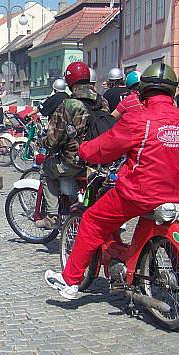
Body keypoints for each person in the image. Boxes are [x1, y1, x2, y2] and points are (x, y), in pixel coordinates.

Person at [45, 63, 179, 300]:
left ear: (143, 89)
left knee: (92, 220)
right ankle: (138, 270)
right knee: (145, 229)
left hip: (140, 193)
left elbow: (106, 146)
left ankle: (70, 280)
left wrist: (84, 151)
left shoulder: (138, 119)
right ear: (173, 90)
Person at [36, 62, 109, 230]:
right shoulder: (102, 101)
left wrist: (43, 142)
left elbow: (54, 138)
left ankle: (52, 216)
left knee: (46, 170)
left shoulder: (68, 105)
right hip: (101, 160)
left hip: (76, 161)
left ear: (70, 81)